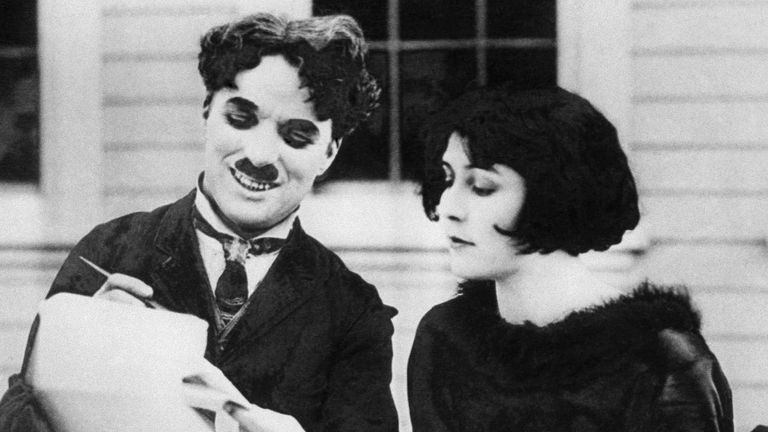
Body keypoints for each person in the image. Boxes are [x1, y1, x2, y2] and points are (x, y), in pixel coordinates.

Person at [0, 12, 398, 432]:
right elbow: (14, 418)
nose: (260, 155)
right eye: (240, 118)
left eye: (296, 136)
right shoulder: (111, 249)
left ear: (331, 151)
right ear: (206, 111)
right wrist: (72, 355)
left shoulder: (352, 311)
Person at [407, 85, 733, 432]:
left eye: (482, 187)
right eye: (447, 179)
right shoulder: (444, 340)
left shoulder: (662, 363)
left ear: (552, 194)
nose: (448, 209)